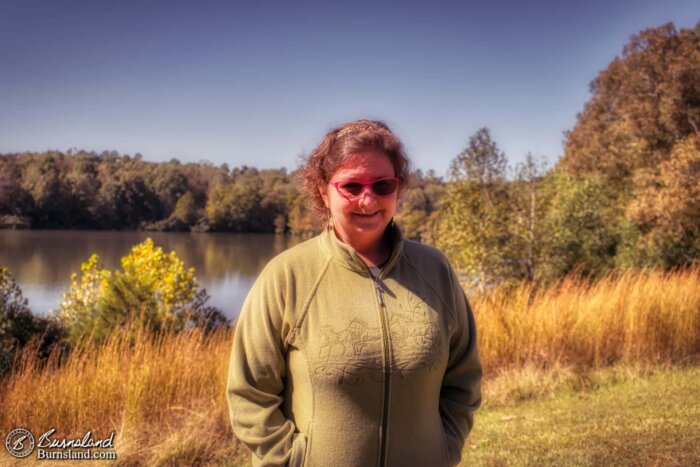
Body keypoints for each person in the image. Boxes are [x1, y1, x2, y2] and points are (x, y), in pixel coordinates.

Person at [227, 119, 482, 467]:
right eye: (351, 186)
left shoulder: (435, 270)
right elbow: (250, 394)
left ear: (398, 188)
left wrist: (445, 446)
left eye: (382, 185)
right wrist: (294, 461)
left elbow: (463, 377)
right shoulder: (286, 276)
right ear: (323, 190)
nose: (368, 199)